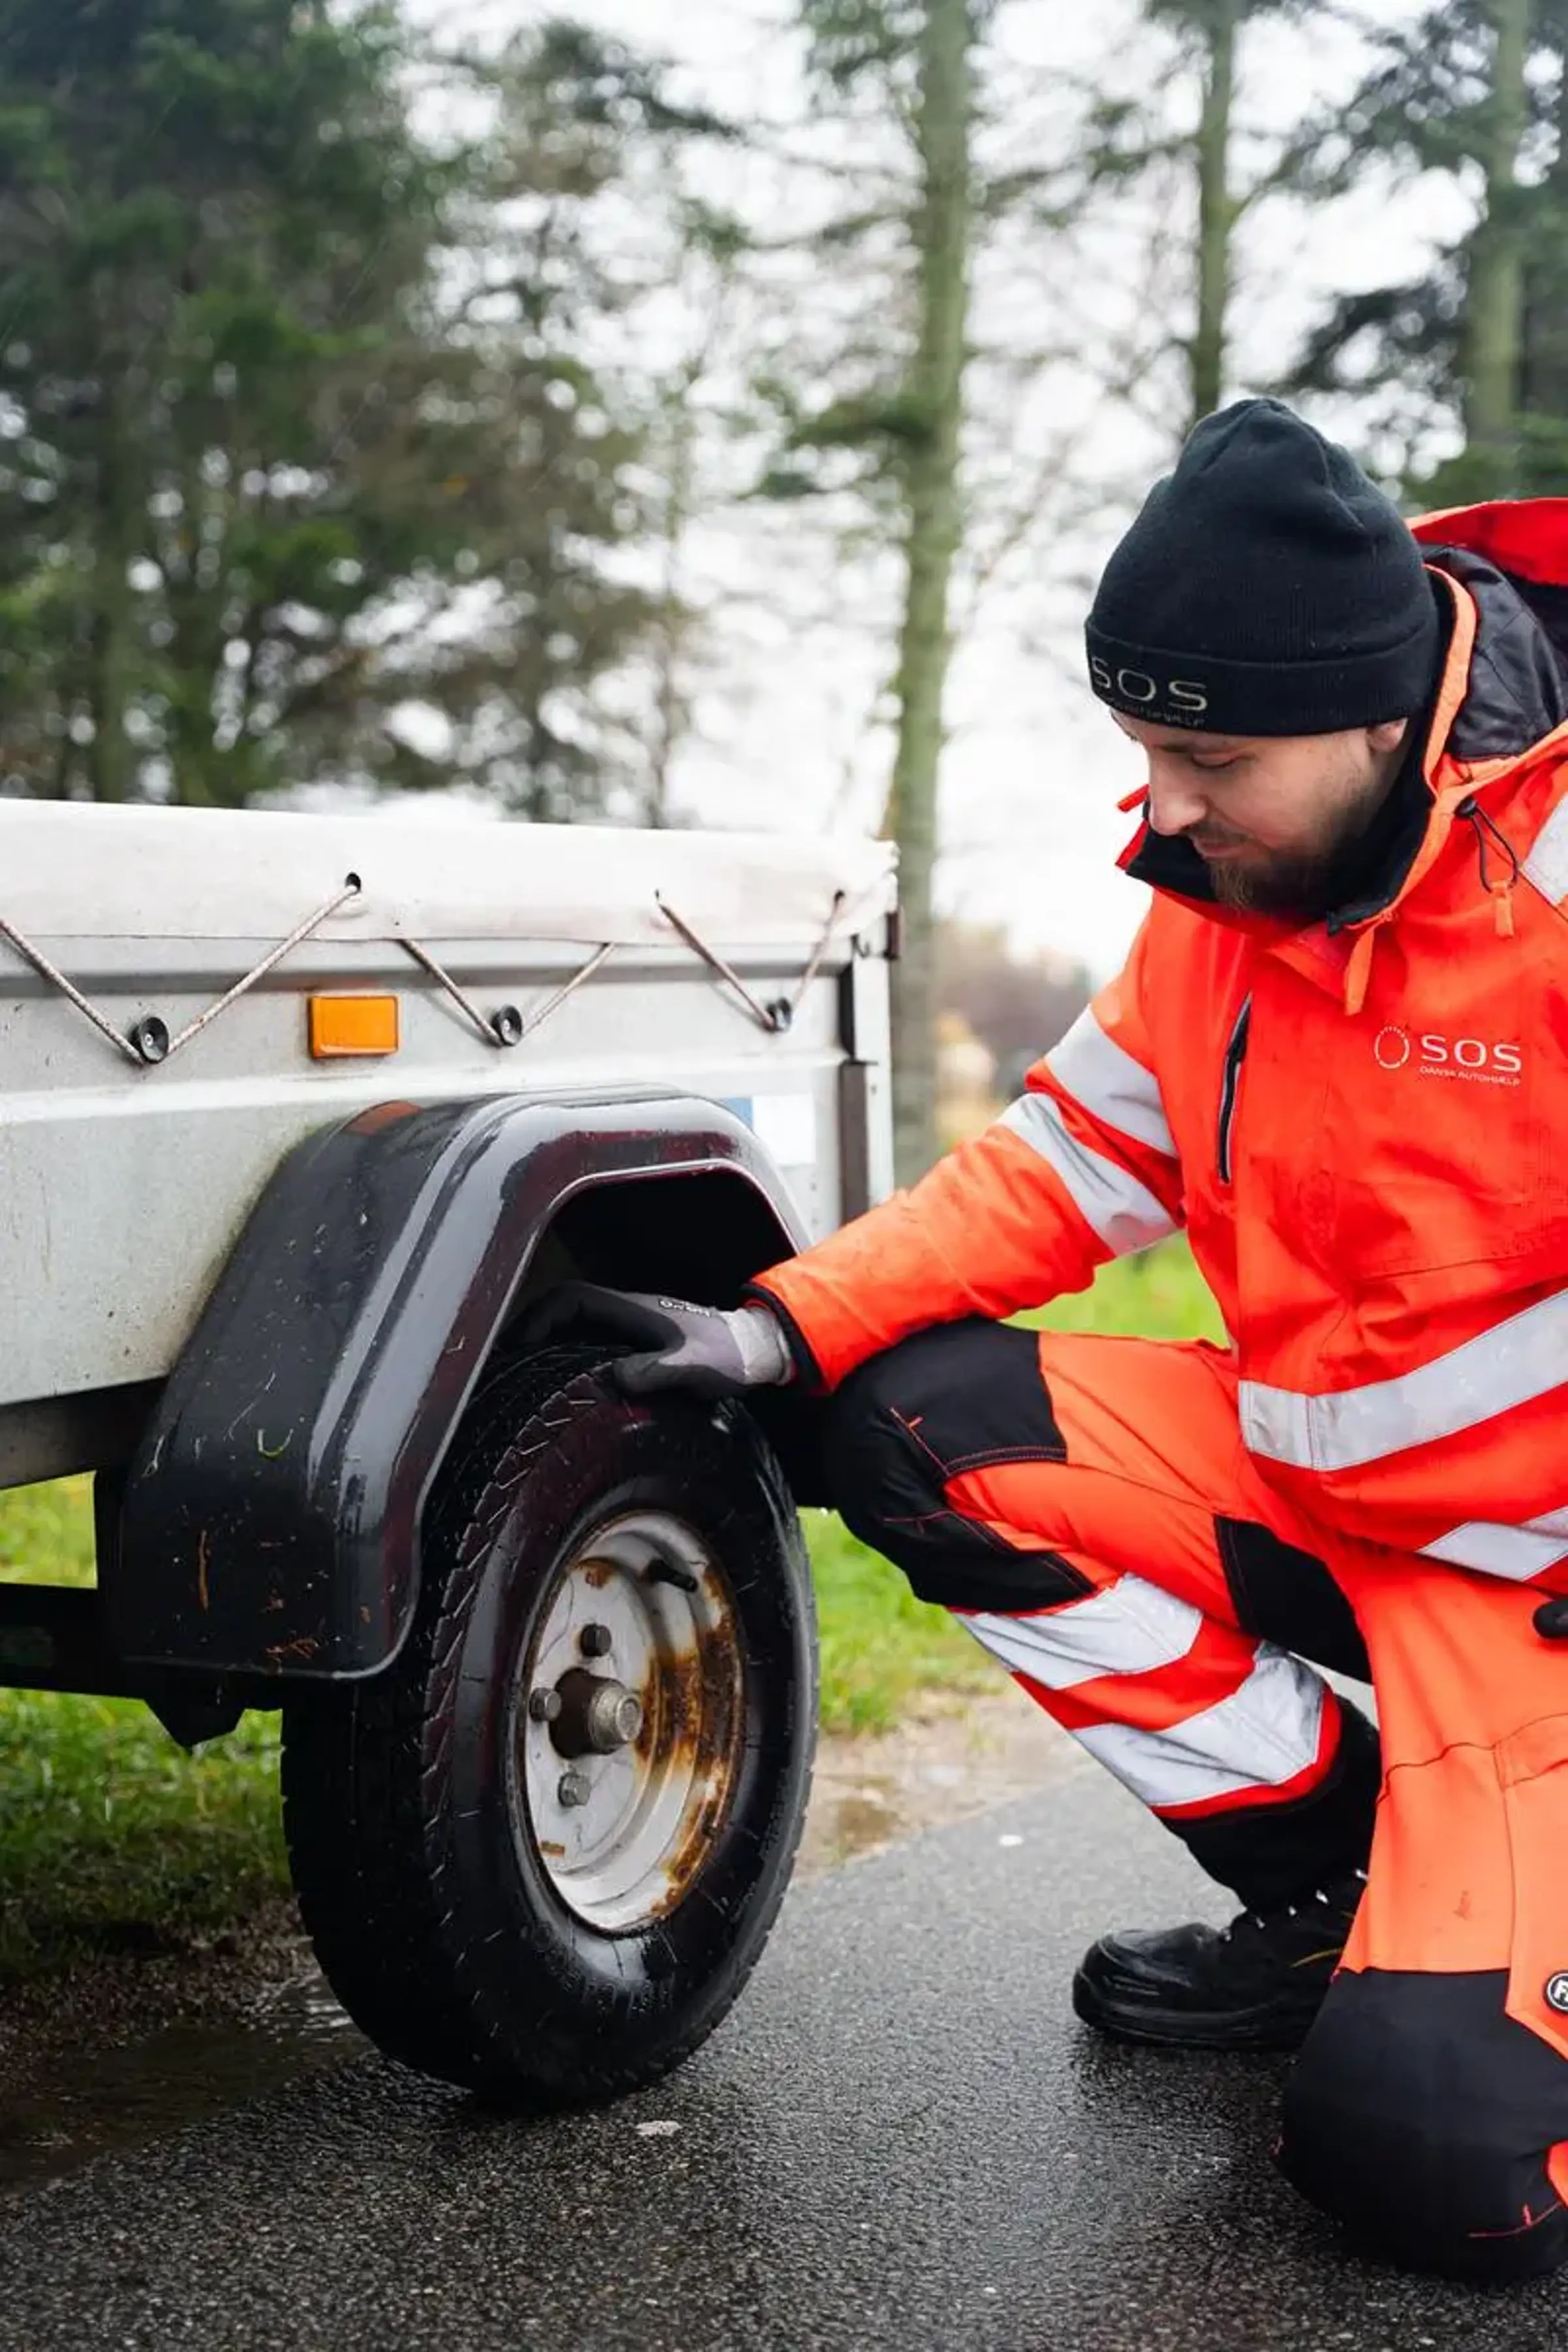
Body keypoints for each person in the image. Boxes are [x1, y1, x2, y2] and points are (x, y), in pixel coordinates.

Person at [530, 399, 1568, 2282]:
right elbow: (1065, 1167)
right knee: (909, 1424)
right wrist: (783, 1331)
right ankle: (1341, 1888)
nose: (1159, 806)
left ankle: (1466, 1917)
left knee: (1442, 2172)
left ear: (1377, 716)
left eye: (1204, 755)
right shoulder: (1231, 898)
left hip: (1540, 1591)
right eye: (1142, 749)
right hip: (1327, 1494)